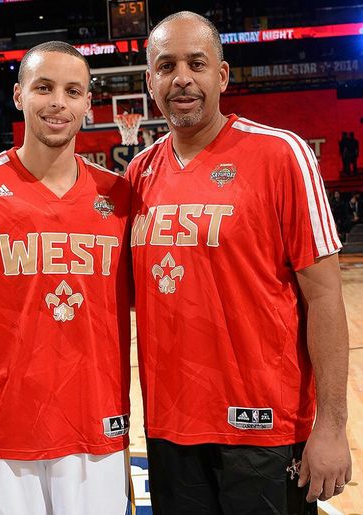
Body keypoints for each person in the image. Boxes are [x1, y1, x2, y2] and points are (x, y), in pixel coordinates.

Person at [126, 11, 351, 514]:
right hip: (170, 429)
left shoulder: (281, 154)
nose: (181, 78)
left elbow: (324, 296)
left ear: (222, 76)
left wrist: (332, 427)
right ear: (150, 81)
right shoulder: (139, 173)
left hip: (263, 429)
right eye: (166, 66)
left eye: (196, 63)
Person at [0, 41, 132, 515]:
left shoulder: (120, 198)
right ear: (19, 96)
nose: (59, 102)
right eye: (44, 88)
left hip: (98, 431)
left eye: (73, 91)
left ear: (88, 105)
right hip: (3, 435)